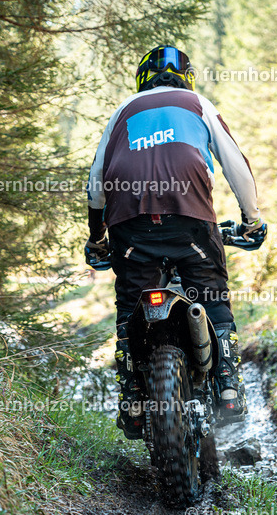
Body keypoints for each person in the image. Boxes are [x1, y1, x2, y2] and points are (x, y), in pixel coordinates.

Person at [84, 45, 266, 440]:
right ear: (187, 77)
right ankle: (229, 383)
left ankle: (132, 395)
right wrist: (251, 222)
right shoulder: (197, 102)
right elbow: (235, 163)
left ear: (142, 78)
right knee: (212, 294)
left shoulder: (123, 111)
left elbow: (96, 185)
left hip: (129, 228)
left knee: (130, 304)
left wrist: (97, 240)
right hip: (191, 219)